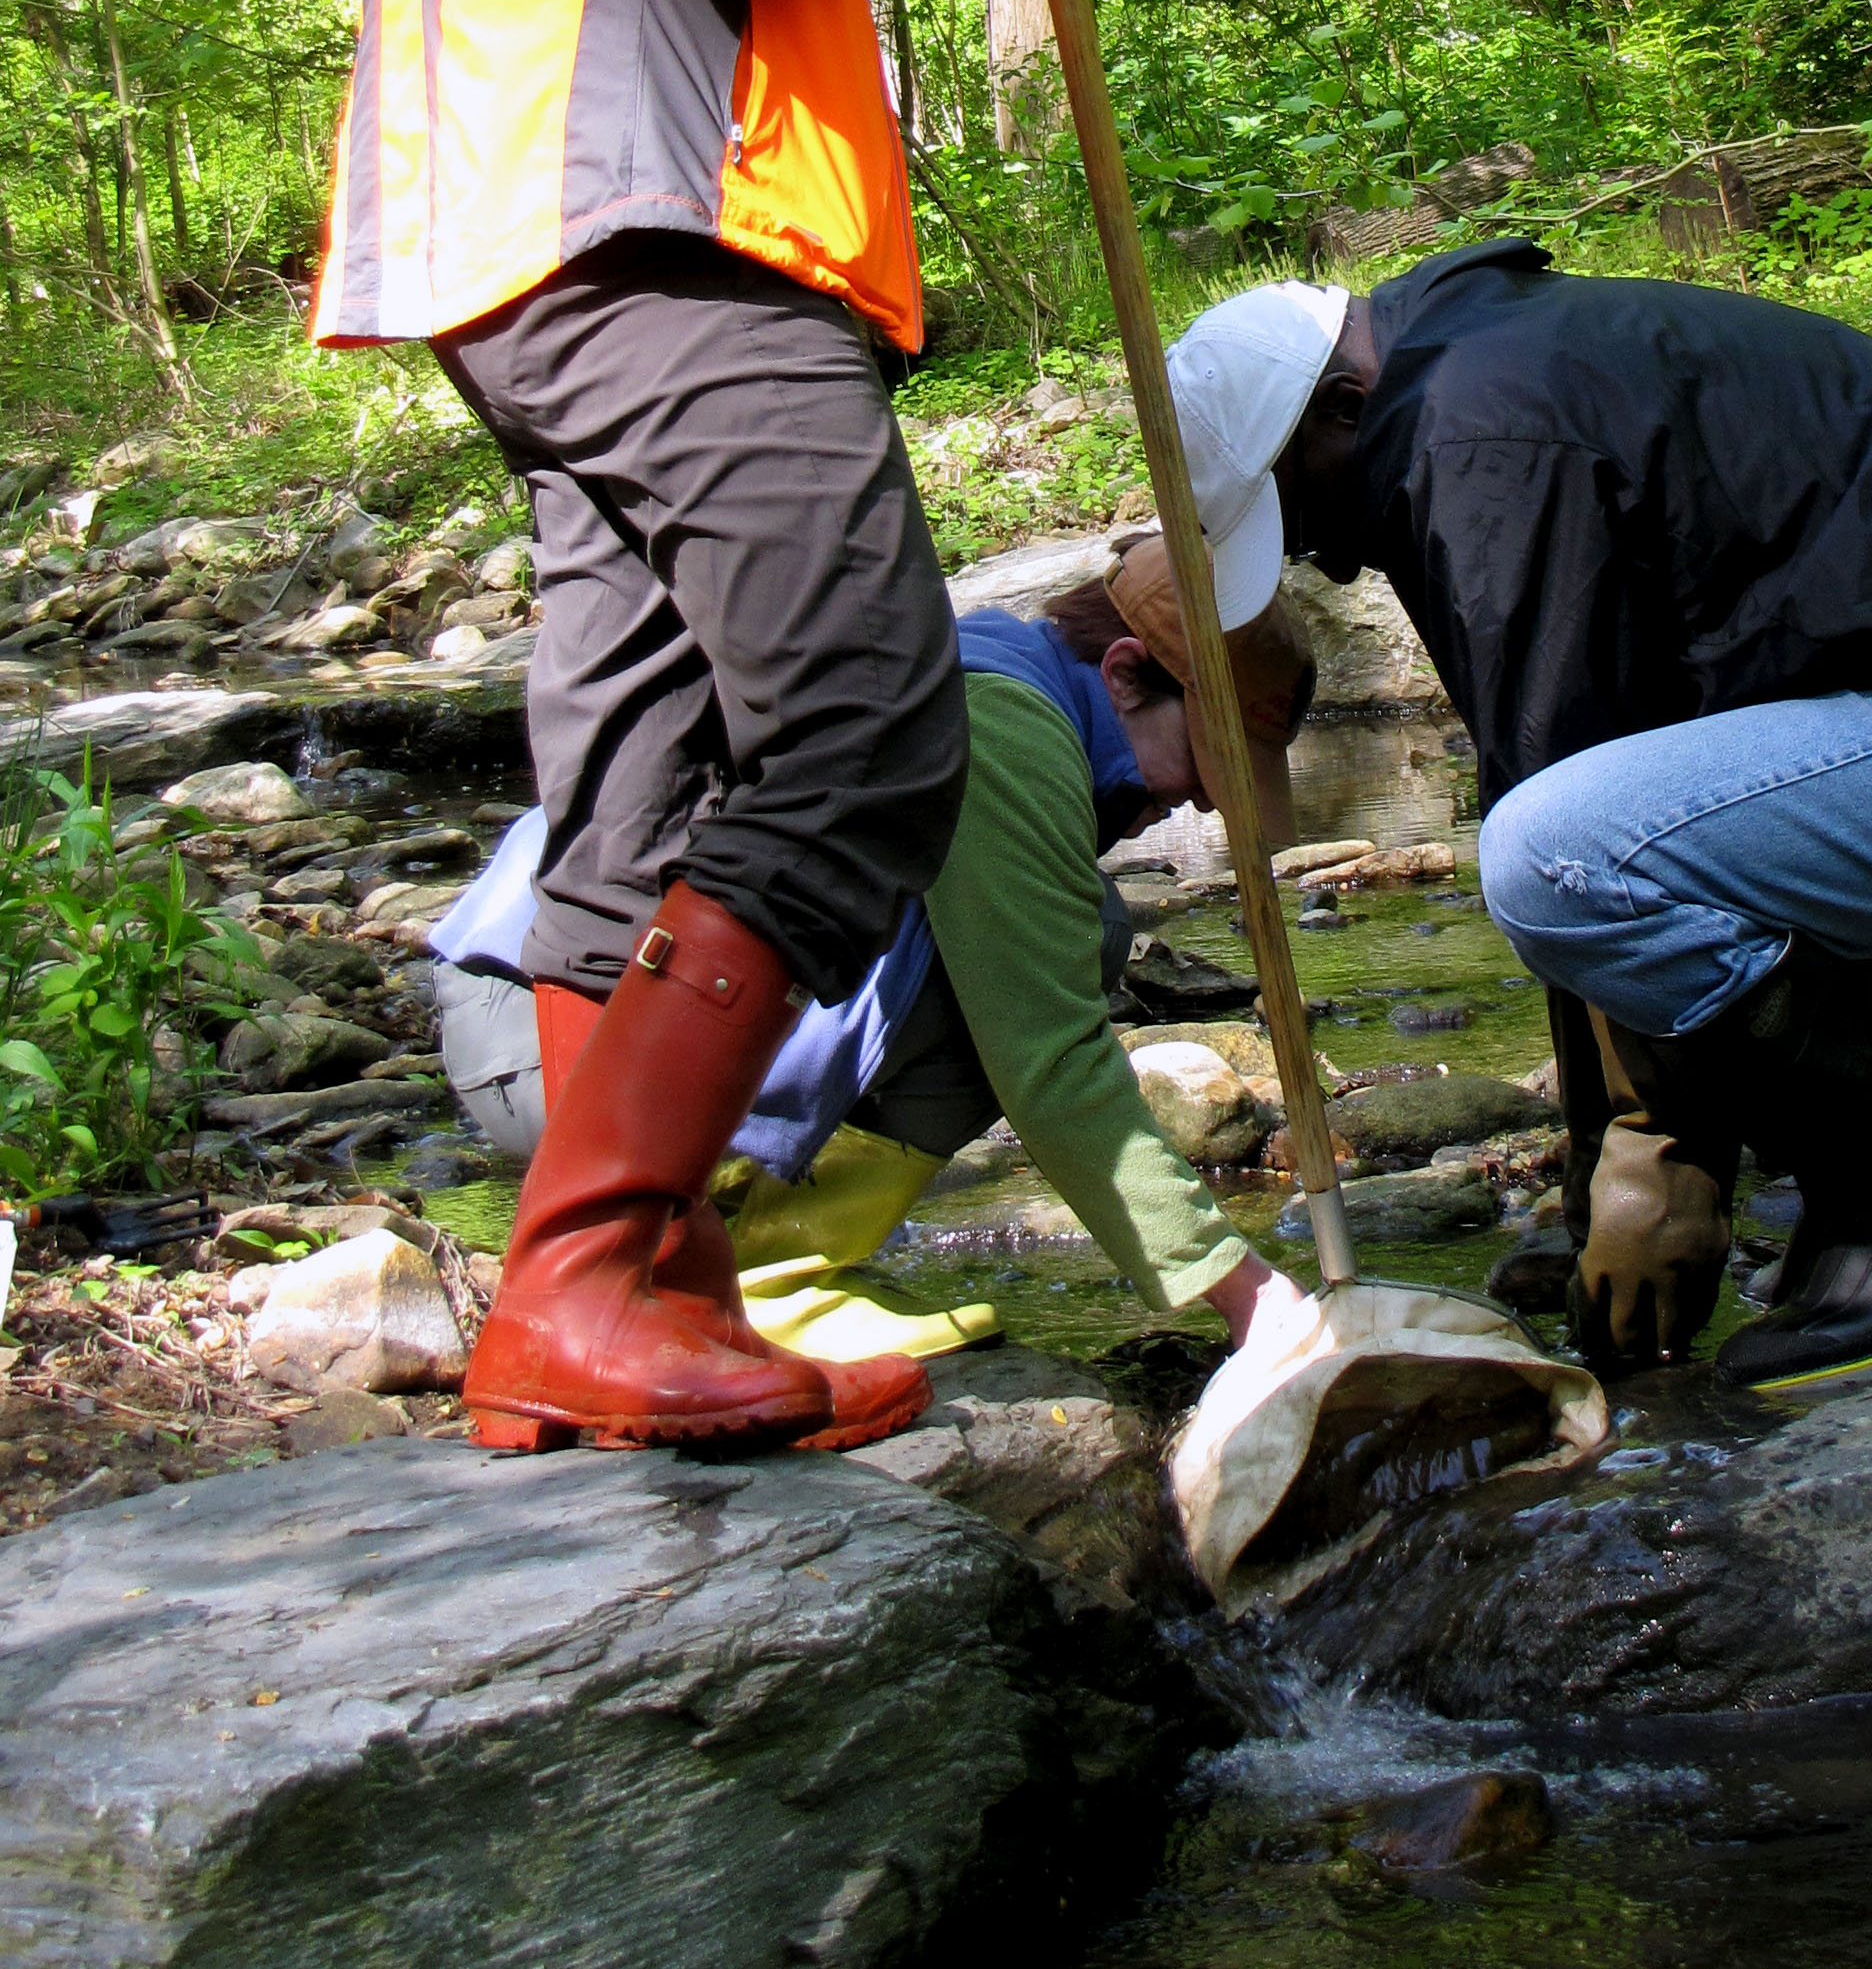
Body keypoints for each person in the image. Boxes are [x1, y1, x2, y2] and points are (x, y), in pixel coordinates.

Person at [314, 0, 1056, 1455]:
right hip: (634, 233)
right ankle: (580, 1285)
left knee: (635, 783)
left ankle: (645, 1290)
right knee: (872, 723)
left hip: (516, 250)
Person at [1165, 244, 1872, 1394]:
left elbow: (1574, 845)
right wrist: (1603, 1189)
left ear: (1342, 407)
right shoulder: (1488, 364)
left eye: (1303, 514)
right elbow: (1627, 804)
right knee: (1594, 845)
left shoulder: (1481, 445)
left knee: (1550, 854)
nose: (1327, 559)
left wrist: (1655, 1172)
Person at [432, 540, 1316, 1381]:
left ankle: (737, 1254)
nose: (1198, 798)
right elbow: (1050, 1060)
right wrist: (1243, 1291)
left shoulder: (992, 664)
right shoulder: (1005, 726)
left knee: (1081, 924)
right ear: (1122, 674)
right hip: (555, 1041)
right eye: (1204, 763)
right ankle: (770, 1279)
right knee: (1065, 948)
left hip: (559, 1024)